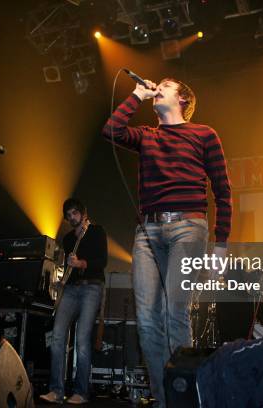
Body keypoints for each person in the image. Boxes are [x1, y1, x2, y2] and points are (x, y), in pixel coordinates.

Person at [102, 77, 232, 405]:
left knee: (175, 312)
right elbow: (112, 130)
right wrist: (136, 94)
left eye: (165, 85)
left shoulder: (205, 134)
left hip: (189, 227)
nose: (156, 87)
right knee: (146, 318)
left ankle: (186, 397)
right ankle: (165, 400)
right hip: (147, 232)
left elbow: (222, 190)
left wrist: (221, 243)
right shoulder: (147, 135)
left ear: (183, 99)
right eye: (155, 85)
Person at [40, 198, 108, 405]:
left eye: (74, 213)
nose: (72, 218)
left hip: (92, 287)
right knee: (58, 335)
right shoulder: (68, 238)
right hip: (70, 289)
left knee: (82, 340)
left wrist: (81, 263)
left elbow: (101, 261)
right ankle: (56, 391)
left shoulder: (97, 231)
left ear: (83, 213)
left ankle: (81, 392)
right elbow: (68, 269)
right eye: (68, 215)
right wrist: (61, 282)